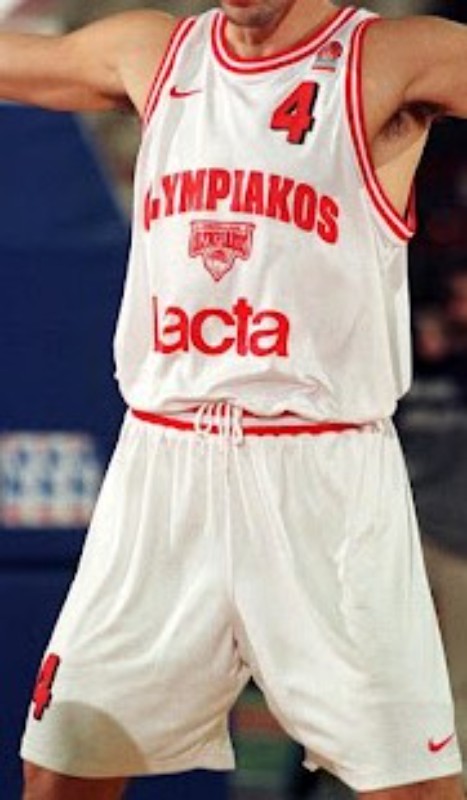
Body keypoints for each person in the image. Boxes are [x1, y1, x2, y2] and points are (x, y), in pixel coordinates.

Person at [4, 1, 466, 798]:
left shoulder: (387, 56)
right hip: (164, 459)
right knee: (61, 764)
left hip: (319, 467)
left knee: (409, 784)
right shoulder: (155, 51)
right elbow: (24, 63)